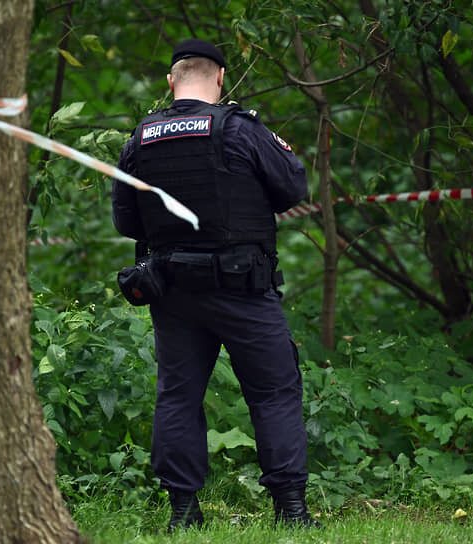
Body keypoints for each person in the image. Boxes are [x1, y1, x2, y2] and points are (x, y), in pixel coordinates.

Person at [112, 38, 318, 531]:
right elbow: (293, 189)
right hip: (244, 287)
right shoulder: (241, 130)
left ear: (171, 81)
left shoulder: (141, 139)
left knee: (178, 396)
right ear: (220, 78)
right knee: (273, 392)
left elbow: (126, 221)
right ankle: (291, 512)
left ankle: (183, 515)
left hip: (174, 291)